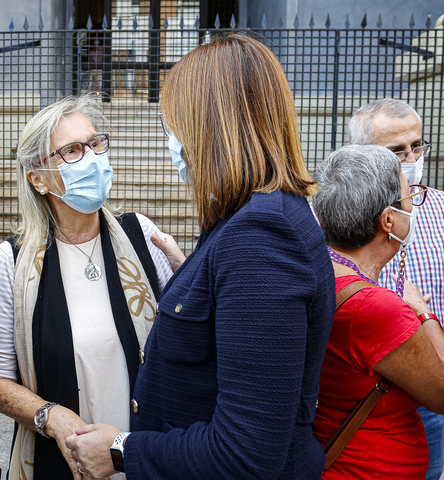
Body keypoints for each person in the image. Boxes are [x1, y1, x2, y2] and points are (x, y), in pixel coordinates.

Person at [65, 33, 335, 479]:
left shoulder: (261, 234)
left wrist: (120, 449)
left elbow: (244, 456)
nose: (174, 142)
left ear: (213, 127)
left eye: (176, 126)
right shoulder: (254, 218)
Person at [0, 94, 177, 480]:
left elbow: (184, 345)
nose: (91, 158)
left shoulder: (142, 237)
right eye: (71, 150)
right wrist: (50, 416)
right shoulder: (15, 262)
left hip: (144, 457)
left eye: (95, 143)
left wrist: (189, 278)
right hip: (60, 464)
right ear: (37, 178)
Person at [311, 144, 444, 478]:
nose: (414, 206)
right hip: (368, 467)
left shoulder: (322, 272)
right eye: (409, 198)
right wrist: (422, 312)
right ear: (388, 219)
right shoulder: (376, 307)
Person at [349, 98, 444, 480]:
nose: (411, 157)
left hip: (431, 392)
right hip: (364, 394)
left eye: (417, 146)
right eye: (396, 150)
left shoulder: (440, 209)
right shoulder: (339, 217)